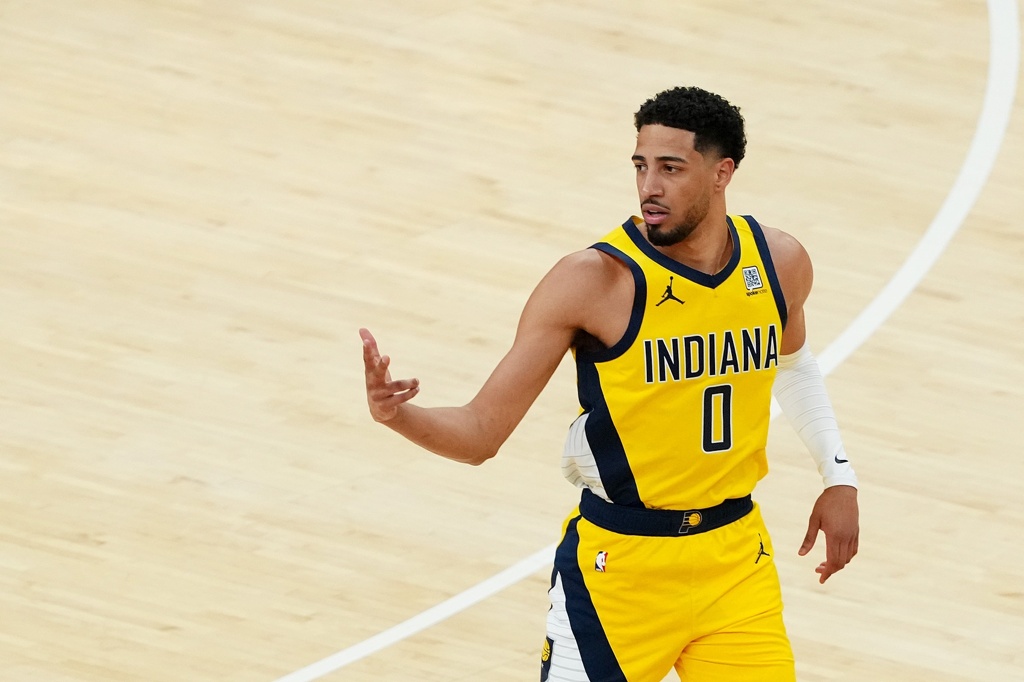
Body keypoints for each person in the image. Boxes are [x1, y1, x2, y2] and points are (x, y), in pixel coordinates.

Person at [360, 85, 859, 682]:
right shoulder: (592, 281)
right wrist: (396, 415)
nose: (650, 186)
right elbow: (479, 433)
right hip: (619, 571)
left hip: (735, 559)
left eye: (671, 168)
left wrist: (839, 477)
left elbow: (794, 366)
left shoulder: (778, 262)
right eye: (641, 166)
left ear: (722, 173)